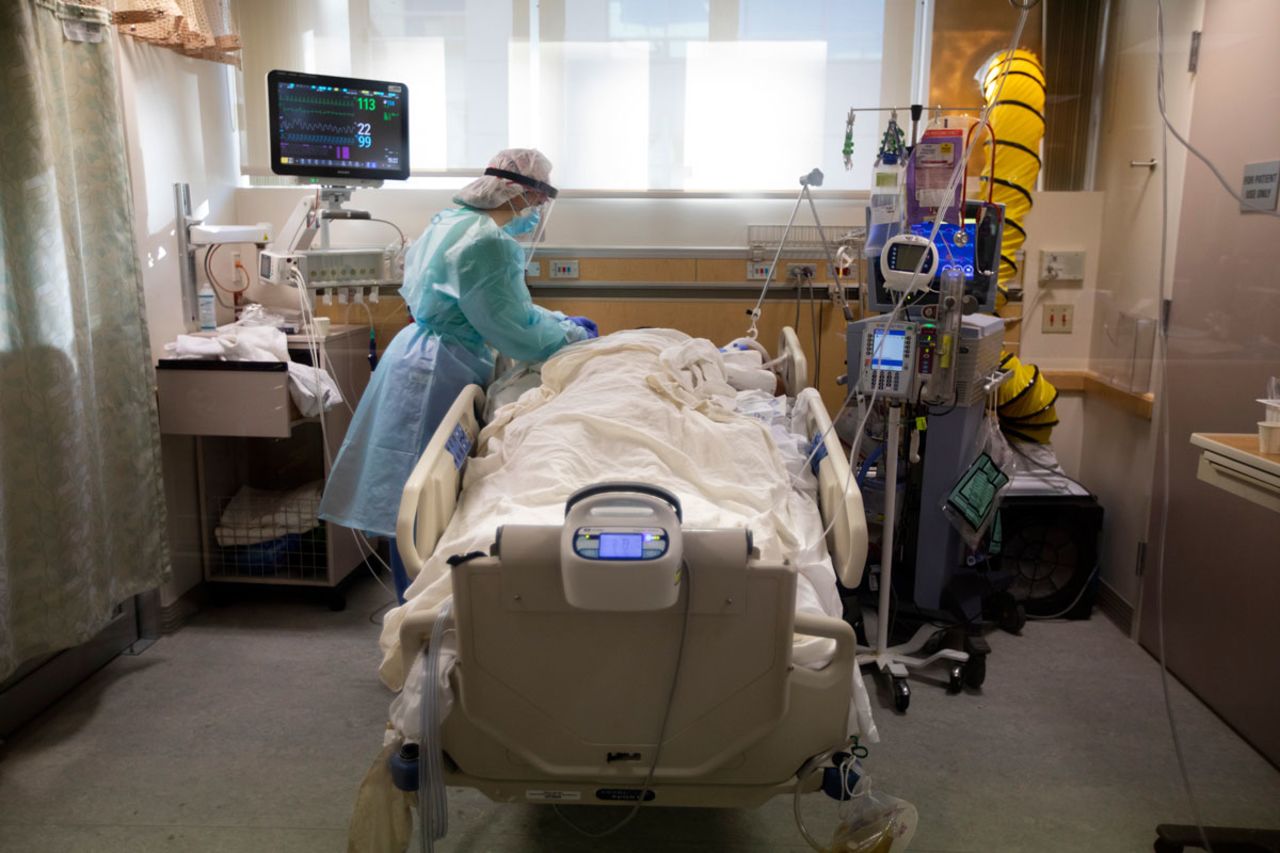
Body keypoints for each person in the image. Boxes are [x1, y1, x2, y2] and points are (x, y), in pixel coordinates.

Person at [318, 148, 597, 599]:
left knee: (411, 490)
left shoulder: (447, 223)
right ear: (521, 194)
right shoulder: (490, 243)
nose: (539, 213)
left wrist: (549, 319)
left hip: (414, 353)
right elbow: (513, 328)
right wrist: (567, 335)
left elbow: (485, 306)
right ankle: (423, 603)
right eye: (538, 202)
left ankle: (410, 596)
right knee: (429, 497)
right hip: (441, 370)